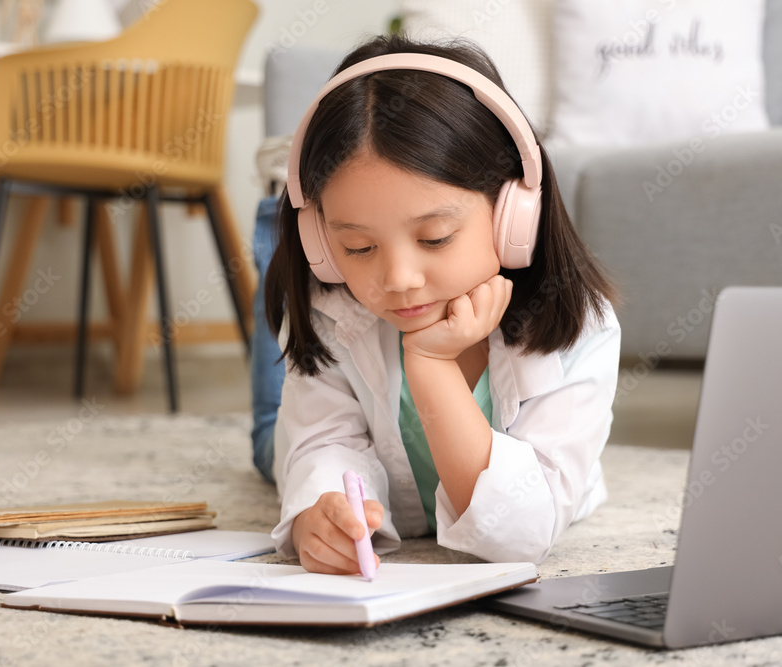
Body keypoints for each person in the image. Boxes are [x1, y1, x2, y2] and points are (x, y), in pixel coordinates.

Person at [250, 33, 622, 574]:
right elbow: (323, 442)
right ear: (321, 244)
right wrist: (316, 513)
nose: (398, 280)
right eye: (358, 247)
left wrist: (431, 366)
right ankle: (272, 223)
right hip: (307, 364)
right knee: (273, 448)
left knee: (270, 437)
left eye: (435, 238)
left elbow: (518, 536)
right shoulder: (333, 307)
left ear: (513, 214)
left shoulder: (581, 329)